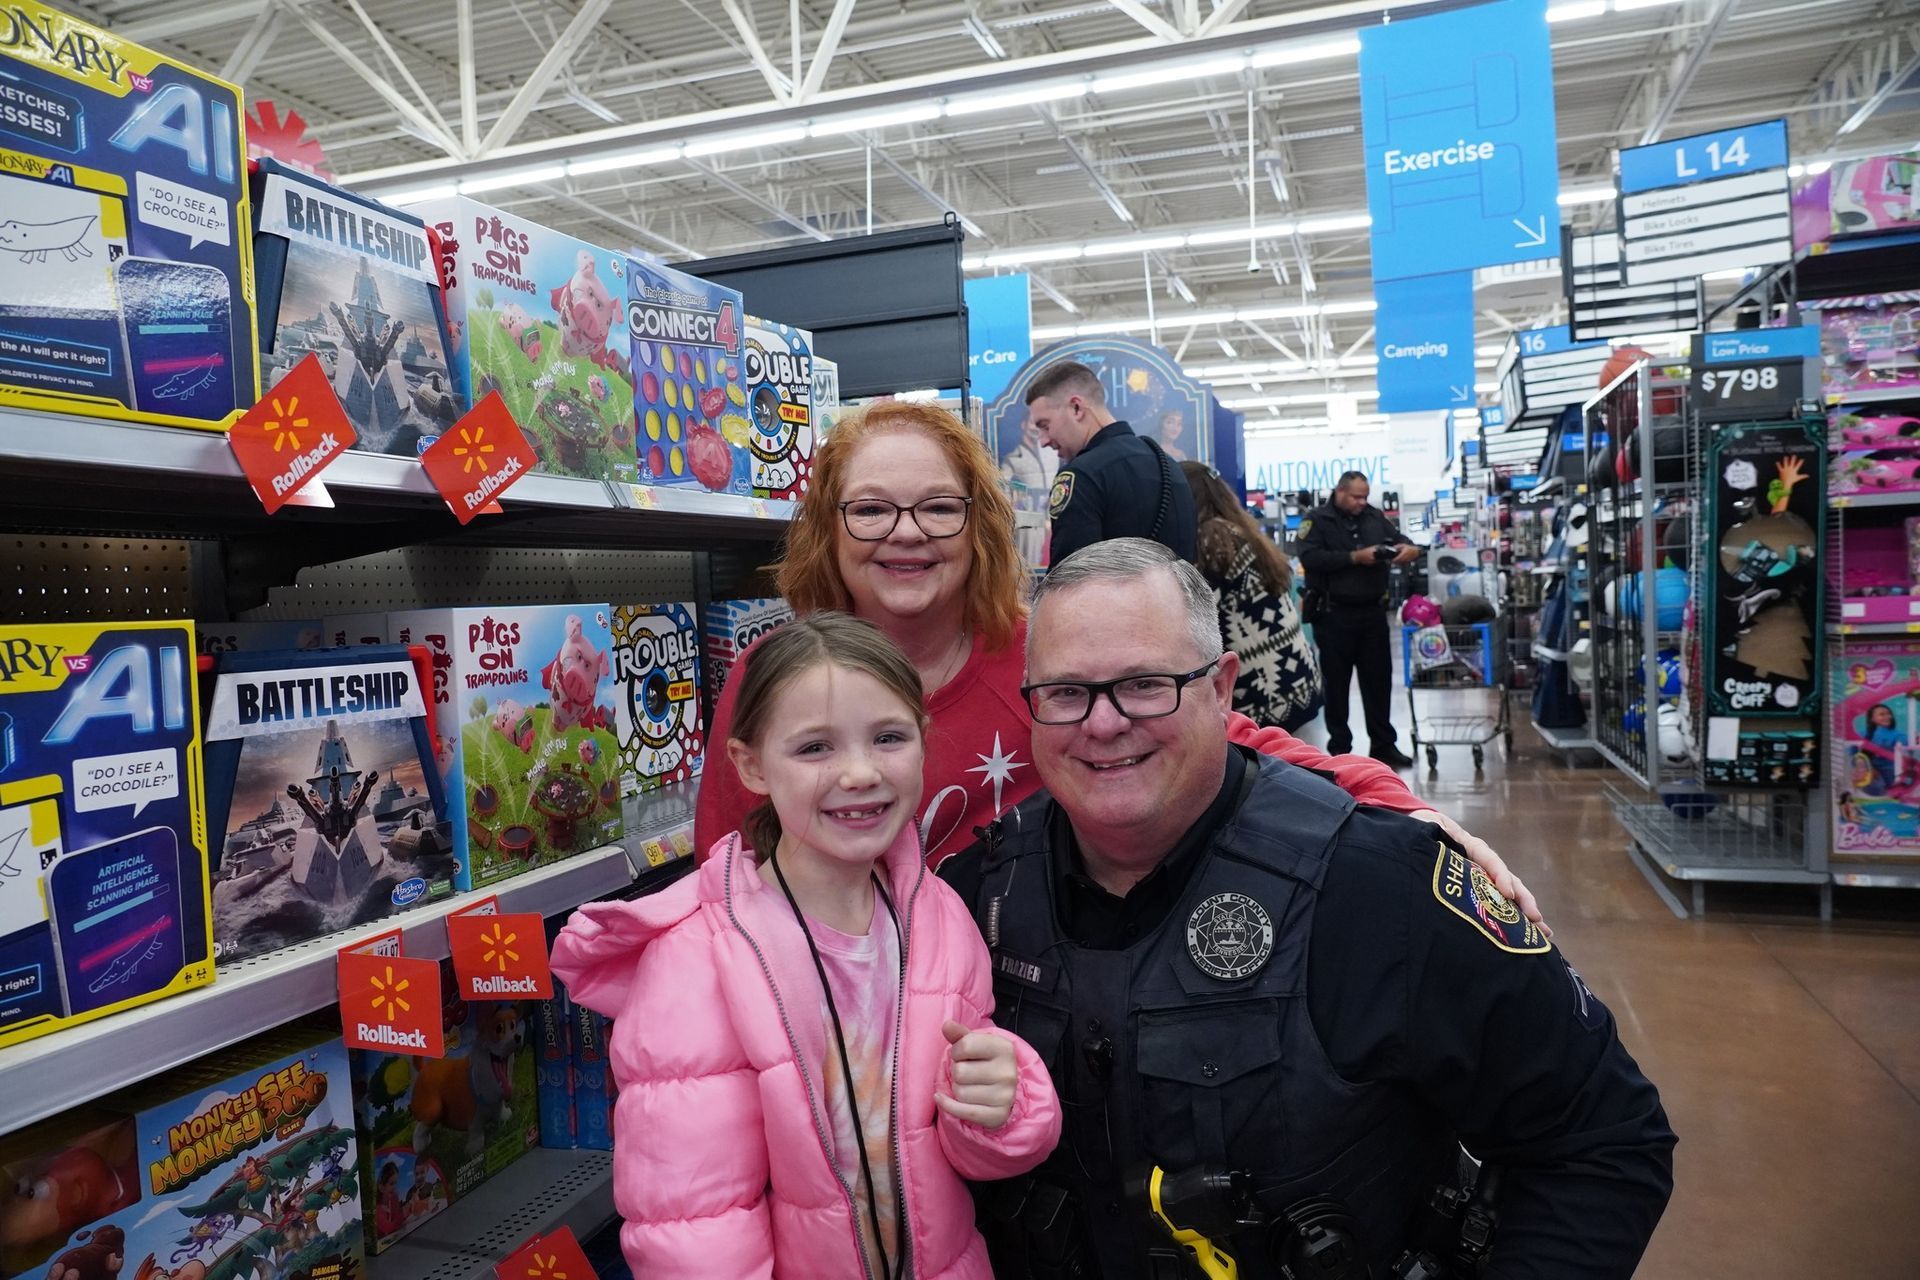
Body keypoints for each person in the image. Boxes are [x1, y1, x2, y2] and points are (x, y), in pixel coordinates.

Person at [940, 540, 1676, 1280]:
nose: (1103, 723)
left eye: (1145, 684)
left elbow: (1602, 1138)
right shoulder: (974, 902)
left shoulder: (1378, 888)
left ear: (1222, 688)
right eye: (1067, 693)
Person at [694, 401, 1542, 932]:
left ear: (979, 525)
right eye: (871, 509)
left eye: (939, 507)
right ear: (828, 529)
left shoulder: (1046, 651)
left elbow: (1226, 736)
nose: (906, 533)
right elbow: (722, 877)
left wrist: (1400, 805)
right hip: (838, 1038)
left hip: (1032, 1022)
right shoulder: (774, 678)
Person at [551, 613, 1062, 1280]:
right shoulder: (694, 963)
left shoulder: (940, 918)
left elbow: (963, 1149)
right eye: (814, 748)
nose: (858, 773)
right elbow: (695, 1230)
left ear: (923, 742)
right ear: (751, 764)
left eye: (888, 737)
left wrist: (1006, 1103)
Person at [1183, 460, 1322, 732]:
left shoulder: (1213, 539)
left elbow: (1198, 612)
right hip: (1294, 680)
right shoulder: (1239, 530)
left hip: (1264, 694)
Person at [1297, 470, 1420, 767]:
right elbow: (1309, 557)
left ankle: (1383, 744)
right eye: (1356, 496)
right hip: (1334, 614)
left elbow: (1401, 539)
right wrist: (1354, 558)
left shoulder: (1373, 517)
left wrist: (1408, 548)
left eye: (1365, 496)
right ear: (1339, 492)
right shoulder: (1316, 520)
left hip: (1373, 614)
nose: (1361, 502)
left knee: (1379, 682)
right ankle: (1340, 748)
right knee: (1337, 685)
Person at [1023, 360, 1196, 564]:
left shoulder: (1082, 475)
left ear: (1076, 408)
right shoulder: (1169, 466)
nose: (1043, 441)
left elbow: (1070, 580)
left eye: (1045, 425)